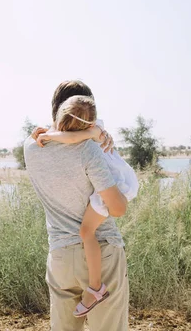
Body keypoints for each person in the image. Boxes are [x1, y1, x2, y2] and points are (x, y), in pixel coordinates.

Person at [24, 80, 130, 331]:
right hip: (101, 253)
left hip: (60, 255)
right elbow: (117, 208)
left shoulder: (31, 147)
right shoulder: (90, 150)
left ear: (56, 110)